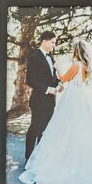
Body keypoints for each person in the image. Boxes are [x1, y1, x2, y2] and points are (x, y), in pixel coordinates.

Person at [19, 39, 92, 184]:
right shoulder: (86, 65)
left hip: (73, 98)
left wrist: (57, 68)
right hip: (81, 96)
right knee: (79, 127)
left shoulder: (76, 65)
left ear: (76, 50)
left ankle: (66, 158)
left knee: (66, 126)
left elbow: (64, 78)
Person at [23, 31, 61, 163]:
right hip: (38, 101)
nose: (53, 45)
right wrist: (47, 89)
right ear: (44, 41)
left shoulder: (51, 58)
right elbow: (30, 80)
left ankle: (39, 158)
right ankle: (29, 157)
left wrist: (58, 84)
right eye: (53, 42)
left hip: (50, 101)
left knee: (45, 130)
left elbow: (53, 78)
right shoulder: (34, 57)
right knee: (35, 128)